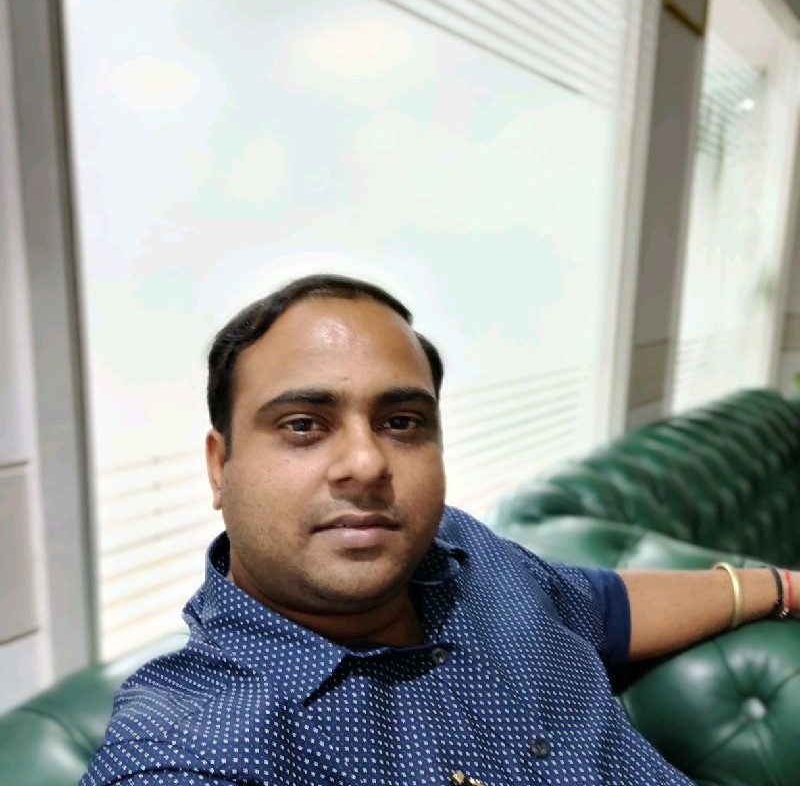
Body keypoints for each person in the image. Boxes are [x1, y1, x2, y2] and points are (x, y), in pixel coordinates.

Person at [80, 273, 799, 786]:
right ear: (220, 467)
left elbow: (596, 603)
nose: (366, 463)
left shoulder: (464, 551)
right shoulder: (196, 751)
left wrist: (781, 586)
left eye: (401, 422)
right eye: (303, 425)